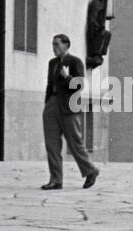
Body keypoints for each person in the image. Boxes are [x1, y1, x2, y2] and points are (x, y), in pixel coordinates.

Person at [42, 33, 99, 191]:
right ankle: (55, 179)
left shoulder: (75, 62)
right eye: (53, 44)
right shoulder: (52, 63)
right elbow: (49, 84)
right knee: (52, 144)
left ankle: (90, 170)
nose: (54, 48)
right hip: (52, 105)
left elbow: (80, 85)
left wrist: (67, 77)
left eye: (57, 44)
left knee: (75, 143)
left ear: (66, 46)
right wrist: (47, 104)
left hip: (69, 106)